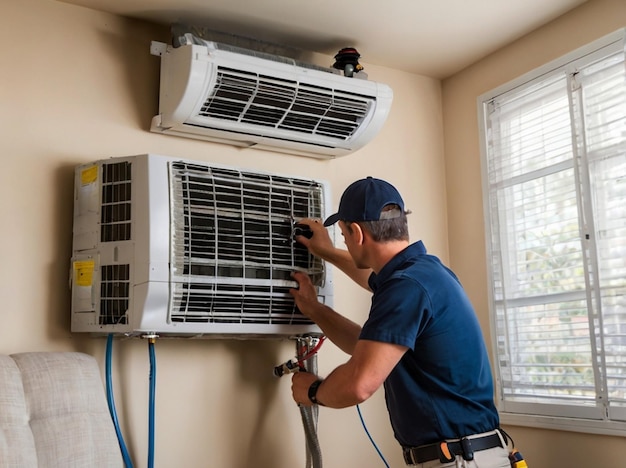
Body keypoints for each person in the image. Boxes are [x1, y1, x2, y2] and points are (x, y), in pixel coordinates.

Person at [289, 176, 511, 467]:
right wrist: (316, 302)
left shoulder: (407, 287)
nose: (342, 240)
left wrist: (313, 392)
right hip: (468, 455)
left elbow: (360, 383)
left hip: (459, 459)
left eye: (342, 234)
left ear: (356, 232)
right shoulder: (425, 274)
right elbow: (366, 348)